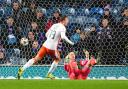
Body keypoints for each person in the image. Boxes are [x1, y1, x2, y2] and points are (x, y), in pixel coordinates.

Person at [17, 15, 74, 79]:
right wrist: (71, 42)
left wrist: (51, 39)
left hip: (45, 45)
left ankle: (22, 69)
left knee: (35, 59)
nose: (68, 21)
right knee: (57, 59)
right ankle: (49, 74)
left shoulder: (54, 25)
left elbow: (46, 34)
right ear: (64, 20)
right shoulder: (63, 27)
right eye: (67, 20)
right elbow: (63, 37)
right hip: (52, 48)